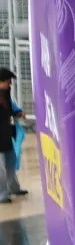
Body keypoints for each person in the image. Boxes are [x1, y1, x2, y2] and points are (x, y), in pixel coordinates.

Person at [0, 67, 23, 200]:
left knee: (10, 163)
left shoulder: (5, 94)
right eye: (8, 81)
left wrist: (16, 113)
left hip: (6, 135)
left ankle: (13, 188)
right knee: (1, 168)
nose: (10, 84)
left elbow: (7, 112)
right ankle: (2, 193)